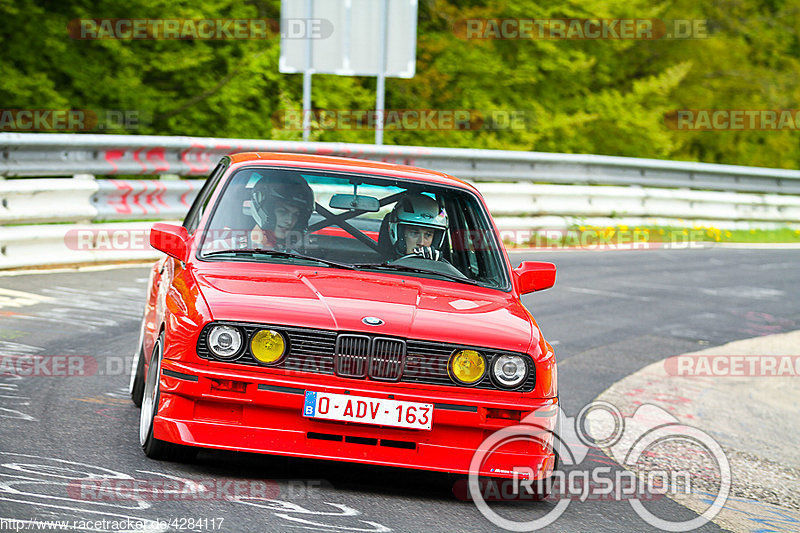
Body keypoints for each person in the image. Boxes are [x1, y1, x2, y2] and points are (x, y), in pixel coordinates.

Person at [249, 173, 315, 251]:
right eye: (282, 212)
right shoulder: (233, 250)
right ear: (263, 210)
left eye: (296, 214)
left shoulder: (297, 256)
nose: (290, 221)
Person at [386, 192, 449, 260]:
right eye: (414, 233)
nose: (421, 243)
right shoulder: (383, 268)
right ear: (398, 234)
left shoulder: (442, 269)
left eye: (428, 235)